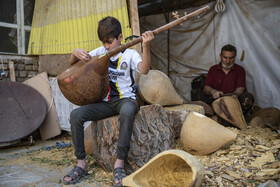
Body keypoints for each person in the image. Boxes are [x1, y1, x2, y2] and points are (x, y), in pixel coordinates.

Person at [62, 16, 154, 186]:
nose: (106, 46)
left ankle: (119, 163)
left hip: (126, 100)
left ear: (120, 37)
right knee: (76, 115)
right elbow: (74, 64)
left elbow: (145, 70)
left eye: (109, 42)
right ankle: (81, 163)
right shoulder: (100, 52)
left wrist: (146, 46)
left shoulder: (130, 54)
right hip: (106, 103)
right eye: (103, 42)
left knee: (127, 112)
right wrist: (74, 52)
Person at [203, 44, 254, 114]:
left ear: (235, 57)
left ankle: (240, 117)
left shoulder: (240, 70)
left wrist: (235, 94)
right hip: (218, 101)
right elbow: (206, 87)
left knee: (248, 97)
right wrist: (213, 91)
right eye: (225, 57)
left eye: (231, 58)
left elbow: (241, 88)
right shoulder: (213, 69)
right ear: (220, 56)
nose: (227, 61)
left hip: (235, 101)